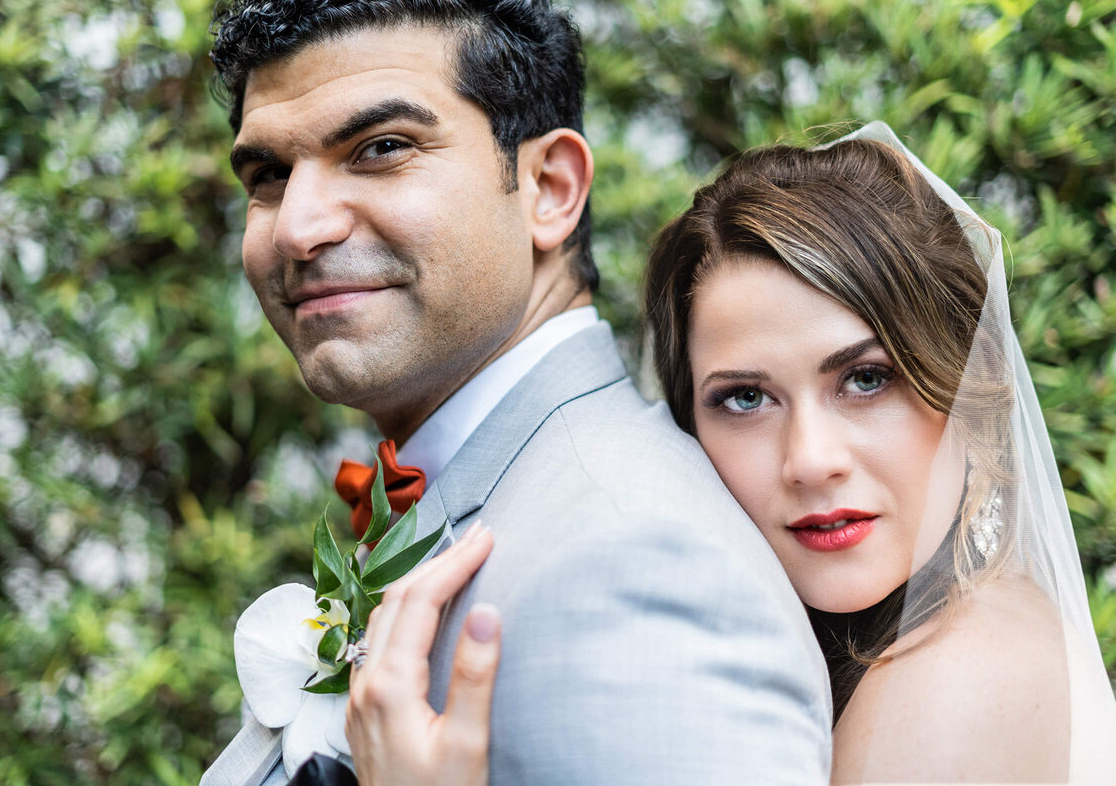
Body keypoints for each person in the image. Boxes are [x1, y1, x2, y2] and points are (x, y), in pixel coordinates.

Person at [346, 122, 1116, 783]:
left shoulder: (958, 676)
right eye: (745, 398)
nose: (810, 460)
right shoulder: (883, 643)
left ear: (970, 393)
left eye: (866, 379)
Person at [200, 0, 832, 785]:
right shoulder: (490, 502)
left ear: (550, 188)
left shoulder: (632, 562)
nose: (297, 227)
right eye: (267, 174)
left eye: (381, 147)